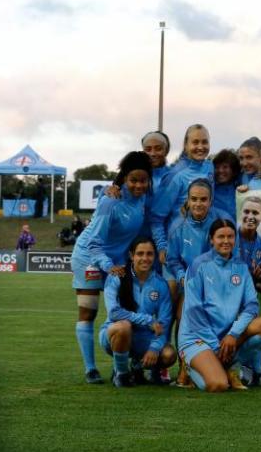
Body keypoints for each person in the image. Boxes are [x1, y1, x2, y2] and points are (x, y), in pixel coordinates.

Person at [70, 151, 152, 384]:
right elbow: (95, 242)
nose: (138, 185)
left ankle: (124, 366)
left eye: (143, 180)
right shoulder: (110, 201)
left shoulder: (143, 198)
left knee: (128, 307)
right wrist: (108, 266)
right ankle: (90, 369)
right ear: (124, 178)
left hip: (117, 260)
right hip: (90, 257)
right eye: (133, 180)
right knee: (89, 311)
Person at [178, 219, 261, 392]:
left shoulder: (241, 267)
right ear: (211, 240)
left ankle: (228, 366)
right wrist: (215, 345)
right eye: (220, 237)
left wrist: (233, 333)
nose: (226, 241)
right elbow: (194, 311)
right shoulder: (197, 266)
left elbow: (252, 306)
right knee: (218, 385)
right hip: (197, 338)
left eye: (230, 236)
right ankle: (191, 368)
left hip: (227, 336)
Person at [165, 178, 232, 386]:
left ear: (211, 200)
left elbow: (231, 251)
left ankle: (231, 366)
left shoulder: (222, 219)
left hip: (218, 281)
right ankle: (183, 368)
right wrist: (182, 277)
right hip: (191, 282)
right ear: (187, 199)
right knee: (182, 312)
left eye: (203, 199)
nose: (198, 204)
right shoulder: (178, 226)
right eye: (194, 199)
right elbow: (172, 260)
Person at [99, 237, 176, 387]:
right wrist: (148, 320)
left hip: (143, 338)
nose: (145, 258)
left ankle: (137, 367)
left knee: (169, 355)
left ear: (154, 256)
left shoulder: (160, 284)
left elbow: (164, 323)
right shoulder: (117, 277)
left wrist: (154, 348)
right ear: (131, 256)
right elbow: (114, 313)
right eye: (140, 254)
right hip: (114, 334)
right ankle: (121, 375)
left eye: (149, 254)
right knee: (123, 327)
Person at [149, 124, 214, 262]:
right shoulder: (175, 175)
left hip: (207, 248)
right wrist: (162, 247)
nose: (200, 146)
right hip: (180, 250)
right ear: (186, 145)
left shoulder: (210, 167)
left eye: (204, 142)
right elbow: (156, 218)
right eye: (195, 142)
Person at [236, 196, 261, 386]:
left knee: (260, 330)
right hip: (226, 303)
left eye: (255, 213)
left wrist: (256, 279)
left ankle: (254, 369)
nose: (250, 216)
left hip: (250, 303)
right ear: (240, 213)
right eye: (247, 212)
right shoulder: (229, 237)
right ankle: (242, 365)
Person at [212, 149, 241, 218]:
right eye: (217, 167)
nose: (220, 171)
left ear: (233, 170)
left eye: (225, 167)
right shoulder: (210, 189)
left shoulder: (240, 188)